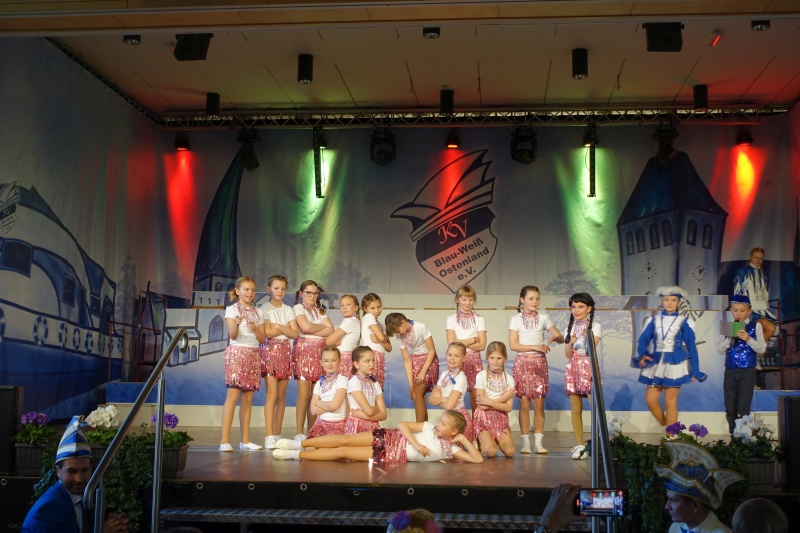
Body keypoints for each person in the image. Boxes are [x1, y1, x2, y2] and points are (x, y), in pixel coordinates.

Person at [22, 416, 129, 533]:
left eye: (84, 470)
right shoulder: (48, 509)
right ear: (58, 471)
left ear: (91, 469)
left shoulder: (75, 498)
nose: (79, 479)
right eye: (71, 471)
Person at [272, 410, 483, 464]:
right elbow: (402, 425)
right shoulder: (428, 428)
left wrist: (464, 440)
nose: (438, 425)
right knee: (344, 439)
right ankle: (298, 443)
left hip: (391, 454)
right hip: (390, 437)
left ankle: (296, 455)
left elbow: (477, 460)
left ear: (453, 432)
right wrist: (416, 443)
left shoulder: (451, 449)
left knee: (342, 452)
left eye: (444, 424)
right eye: (440, 421)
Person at [633, 286, 707, 433]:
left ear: (679, 302)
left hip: (675, 363)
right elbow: (643, 340)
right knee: (650, 400)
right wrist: (643, 354)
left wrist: (695, 369)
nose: (669, 303)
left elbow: (692, 347)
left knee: (670, 402)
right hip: (657, 362)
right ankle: (668, 426)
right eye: (666, 300)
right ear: (662, 301)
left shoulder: (685, 322)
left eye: (673, 300)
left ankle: (670, 435)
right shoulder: (653, 320)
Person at [509, 285, 564, 454]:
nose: (535, 302)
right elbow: (513, 345)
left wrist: (555, 338)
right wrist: (535, 346)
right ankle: (525, 442)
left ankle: (539, 442)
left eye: (537, 298)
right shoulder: (516, 319)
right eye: (531, 298)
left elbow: (560, 337)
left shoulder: (544, 318)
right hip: (523, 363)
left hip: (539, 364)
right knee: (524, 404)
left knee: (539, 404)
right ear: (522, 300)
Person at [656, 441, 745, 533]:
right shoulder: (675, 528)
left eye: (674, 500)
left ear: (695, 505)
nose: (667, 506)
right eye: (669, 499)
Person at [220, 275, 266, 452]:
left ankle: (245, 440)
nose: (250, 293)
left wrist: (256, 329)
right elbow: (232, 335)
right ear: (237, 291)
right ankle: (224, 441)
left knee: (248, 398)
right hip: (237, 354)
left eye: (253, 290)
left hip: (253, 355)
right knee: (232, 397)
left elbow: (262, 339)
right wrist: (237, 324)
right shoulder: (231, 310)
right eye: (246, 289)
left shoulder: (258, 312)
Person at [293, 279, 335, 441]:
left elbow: (331, 329)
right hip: (304, 352)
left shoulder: (320, 310)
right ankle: (299, 432)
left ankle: (311, 431)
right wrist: (322, 328)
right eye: (308, 293)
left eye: (315, 293)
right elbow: (305, 328)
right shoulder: (298, 308)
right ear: (302, 293)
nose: (312, 296)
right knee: (304, 395)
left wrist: (314, 328)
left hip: (319, 354)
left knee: (315, 396)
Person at [718, 294, 766, 435]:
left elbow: (762, 349)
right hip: (730, 370)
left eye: (742, 310)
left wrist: (749, 339)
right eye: (735, 310)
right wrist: (729, 339)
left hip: (747, 371)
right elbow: (720, 350)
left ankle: (744, 439)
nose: (738, 313)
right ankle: (733, 438)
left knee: (743, 407)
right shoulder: (728, 326)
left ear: (749, 311)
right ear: (731, 311)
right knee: (730, 407)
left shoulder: (755, 326)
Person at [261, 274, 299, 450]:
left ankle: (277, 433)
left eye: (283, 288)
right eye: (276, 288)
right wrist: (284, 328)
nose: (280, 291)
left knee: (281, 396)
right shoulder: (265, 308)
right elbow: (267, 333)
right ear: (269, 289)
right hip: (270, 351)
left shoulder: (289, 309)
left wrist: (277, 326)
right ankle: (269, 435)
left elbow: (294, 333)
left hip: (285, 352)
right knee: (272, 394)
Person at [564, 292, 601, 460]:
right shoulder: (569, 328)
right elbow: (567, 354)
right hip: (573, 367)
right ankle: (580, 445)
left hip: (588, 366)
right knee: (576, 409)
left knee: (595, 408)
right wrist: (570, 342)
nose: (577, 310)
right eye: (573, 307)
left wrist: (585, 338)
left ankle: (597, 443)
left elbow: (589, 350)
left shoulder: (595, 326)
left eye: (581, 306)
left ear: (589, 309)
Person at [385, 312, 438, 423]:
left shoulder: (421, 327)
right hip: (416, 362)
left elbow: (432, 350)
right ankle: (424, 428)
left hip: (429, 361)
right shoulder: (400, 337)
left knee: (418, 393)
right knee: (417, 394)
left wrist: (423, 372)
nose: (398, 334)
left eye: (398, 331)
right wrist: (411, 385)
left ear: (403, 322)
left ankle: (419, 428)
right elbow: (407, 360)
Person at [445, 285, 487, 412]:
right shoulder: (451, 319)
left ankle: (477, 423)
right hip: (457, 359)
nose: (467, 303)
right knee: (456, 395)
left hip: (474, 360)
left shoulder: (479, 319)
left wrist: (460, 342)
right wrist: (473, 339)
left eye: (470, 299)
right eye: (464, 299)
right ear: (458, 300)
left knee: (475, 396)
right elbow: (452, 343)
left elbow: (482, 345)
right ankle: (457, 423)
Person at [473, 341, 517, 458]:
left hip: (500, 418)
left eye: (499, 358)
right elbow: (482, 406)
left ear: (505, 359)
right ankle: (485, 440)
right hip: (483, 418)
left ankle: (495, 439)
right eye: (492, 358)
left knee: (510, 452)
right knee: (491, 452)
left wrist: (489, 402)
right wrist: (504, 397)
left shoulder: (509, 379)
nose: (495, 362)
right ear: (487, 358)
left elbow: (508, 407)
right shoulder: (481, 376)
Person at [428, 342, 475, 443]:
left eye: (457, 356)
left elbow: (449, 406)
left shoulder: (461, 377)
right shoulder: (444, 374)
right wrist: (445, 399)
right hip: (448, 419)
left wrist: (439, 399)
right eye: (450, 355)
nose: (452, 358)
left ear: (464, 358)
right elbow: (431, 400)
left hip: (458, 421)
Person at [733, 247, 777, 341]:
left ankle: (755, 347)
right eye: (756, 257)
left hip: (760, 310)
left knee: (771, 328)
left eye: (761, 258)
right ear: (750, 256)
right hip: (746, 310)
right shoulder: (743, 271)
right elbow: (738, 292)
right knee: (734, 337)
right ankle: (754, 346)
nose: (758, 260)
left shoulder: (764, 273)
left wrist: (764, 304)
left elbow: (765, 292)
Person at [305, 346, 349, 438]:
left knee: (328, 443)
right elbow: (313, 410)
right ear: (321, 362)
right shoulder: (319, 383)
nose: (329, 364)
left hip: (338, 424)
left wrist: (318, 403)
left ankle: (295, 445)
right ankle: (293, 446)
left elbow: (334, 406)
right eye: (326, 361)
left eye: (333, 360)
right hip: (321, 424)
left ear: (340, 362)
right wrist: (330, 406)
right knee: (311, 445)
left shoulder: (342, 380)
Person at [344, 346, 387, 433]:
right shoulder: (354, 382)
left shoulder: (375, 383)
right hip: (356, 427)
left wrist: (362, 415)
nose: (372, 364)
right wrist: (377, 408)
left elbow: (383, 415)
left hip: (373, 426)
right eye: (367, 361)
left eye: (373, 360)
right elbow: (369, 411)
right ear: (356, 364)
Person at [326, 294, 361, 378]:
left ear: (356, 307)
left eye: (348, 304)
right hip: (349, 357)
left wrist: (333, 340)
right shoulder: (356, 321)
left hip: (343, 358)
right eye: (342, 305)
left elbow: (328, 341)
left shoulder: (349, 321)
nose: (344, 307)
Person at [361, 293, 392, 388]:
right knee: (371, 386)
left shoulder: (380, 325)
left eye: (379, 307)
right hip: (372, 356)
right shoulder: (368, 317)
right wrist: (382, 338)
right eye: (372, 308)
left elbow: (389, 348)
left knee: (377, 386)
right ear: (365, 309)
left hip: (379, 356)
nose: (377, 310)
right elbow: (383, 338)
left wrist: (379, 340)